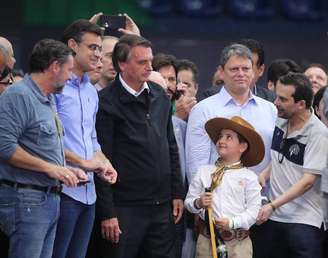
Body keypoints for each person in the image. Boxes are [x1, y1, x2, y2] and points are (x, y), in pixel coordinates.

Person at [95, 34, 184, 258]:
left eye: (150, 61)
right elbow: (101, 159)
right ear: (122, 64)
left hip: (162, 207)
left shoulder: (161, 97)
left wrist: (176, 193)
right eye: (142, 62)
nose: (149, 67)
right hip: (124, 209)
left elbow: (171, 147)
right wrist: (108, 213)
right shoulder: (105, 102)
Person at [0, 38, 87, 258]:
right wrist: (50, 168)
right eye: (68, 69)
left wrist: (65, 167)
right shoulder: (18, 96)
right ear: (54, 67)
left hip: (48, 199)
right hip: (27, 200)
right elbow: (5, 147)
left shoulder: (46, 99)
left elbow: (41, 148)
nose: (69, 76)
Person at [52, 20, 117, 258]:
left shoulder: (91, 90)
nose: (97, 54)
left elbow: (92, 140)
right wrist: (84, 162)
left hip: (90, 194)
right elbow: (49, 143)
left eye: (99, 49)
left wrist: (104, 164)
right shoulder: (55, 87)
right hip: (62, 190)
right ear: (72, 46)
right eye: (92, 47)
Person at [257, 72, 328, 258]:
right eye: (276, 97)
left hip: (303, 222)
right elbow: (283, 156)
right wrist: (265, 174)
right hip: (274, 217)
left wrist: (272, 205)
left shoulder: (319, 134)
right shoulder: (281, 120)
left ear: (301, 104)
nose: (276, 103)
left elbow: (307, 181)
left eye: (282, 99)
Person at [185, 116, 263, 258]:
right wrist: (198, 202)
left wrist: (232, 222)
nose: (221, 141)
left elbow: (253, 213)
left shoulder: (249, 177)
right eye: (220, 137)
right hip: (206, 242)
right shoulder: (204, 171)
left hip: (238, 246)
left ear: (242, 146)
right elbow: (189, 203)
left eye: (229, 137)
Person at [199, 38, 275, 103]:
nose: (240, 74)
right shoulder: (210, 96)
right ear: (222, 71)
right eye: (234, 68)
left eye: (246, 68)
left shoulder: (271, 101)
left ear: (261, 70)